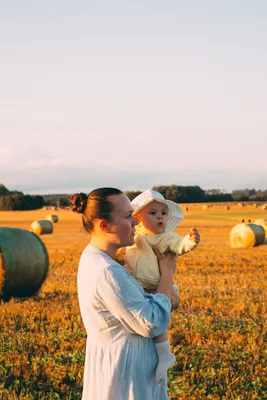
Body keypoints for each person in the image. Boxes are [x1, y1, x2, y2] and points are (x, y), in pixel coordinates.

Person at [69, 187, 177, 400]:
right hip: (125, 379)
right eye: (128, 216)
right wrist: (167, 274)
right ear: (104, 225)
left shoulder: (97, 259)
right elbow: (152, 322)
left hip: (124, 372)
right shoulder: (107, 271)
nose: (137, 222)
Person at [122, 189, 200, 383]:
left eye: (163, 213)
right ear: (137, 218)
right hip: (136, 287)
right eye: (153, 213)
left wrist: (190, 241)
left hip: (158, 288)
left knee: (159, 321)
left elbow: (179, 245)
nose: (160, 217)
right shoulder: (133, 238)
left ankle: (165, 354)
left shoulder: (166, 237)